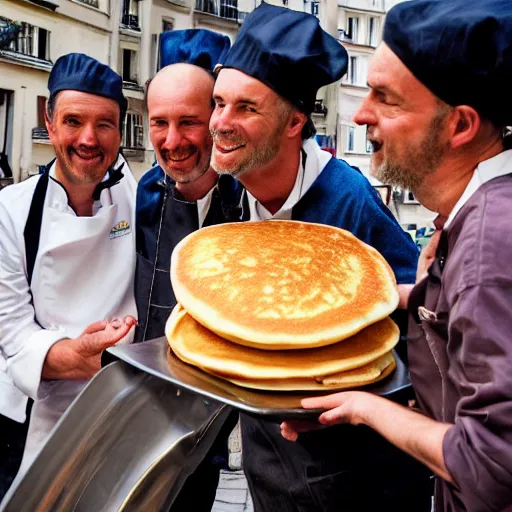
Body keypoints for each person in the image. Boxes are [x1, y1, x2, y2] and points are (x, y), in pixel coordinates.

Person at [281, 1, 512, 510]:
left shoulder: (489, 240)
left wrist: (367, 409)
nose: (361, 113)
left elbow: (492, 465)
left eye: (386, 98)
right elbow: (450, 316)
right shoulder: (477, 215)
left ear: (460, 125)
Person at [209, 4, 432, 511]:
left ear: (293, 123)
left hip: (357, 474)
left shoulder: (348, 202)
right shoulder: (227, 193)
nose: (220, 122)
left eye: (246, 108)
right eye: (218, 102)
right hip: (268, 462)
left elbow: (417, 321)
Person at [0, 53, 137, 490]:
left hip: (122, 411)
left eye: (104, 125)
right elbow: (14, 333)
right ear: (50, 120)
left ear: (121, 130)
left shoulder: (140, 201)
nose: (88, 139)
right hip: (30, 418)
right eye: (74, 121)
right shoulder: (11, 211)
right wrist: (79, 355)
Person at [134, 29, 239, 512]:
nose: (172, 142)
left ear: (217, 120)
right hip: (142, 415)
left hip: (214, 426)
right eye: (160, 122)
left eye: (189, 122)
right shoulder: (142, 196)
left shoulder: (249, 205)